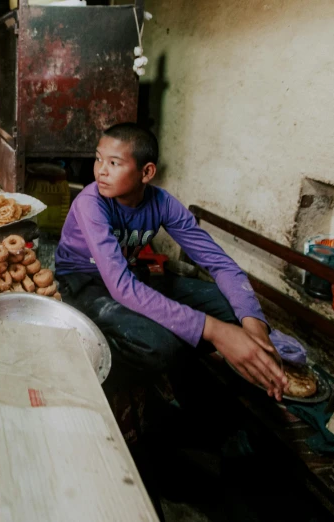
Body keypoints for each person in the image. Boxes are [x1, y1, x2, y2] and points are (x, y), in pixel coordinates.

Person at [55, 123, 288, 400]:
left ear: (147, 172)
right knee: (160, 346)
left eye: (114, 163)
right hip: (82, 282)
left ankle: (178, 354)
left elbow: (220, 264)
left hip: (127, 277)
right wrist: (214, 331)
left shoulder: (162, 203)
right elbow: (120, 287)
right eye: (98, 158)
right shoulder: (91, 202)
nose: (101, 170)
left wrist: (254, 327)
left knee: (230, 307)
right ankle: (94, 375)